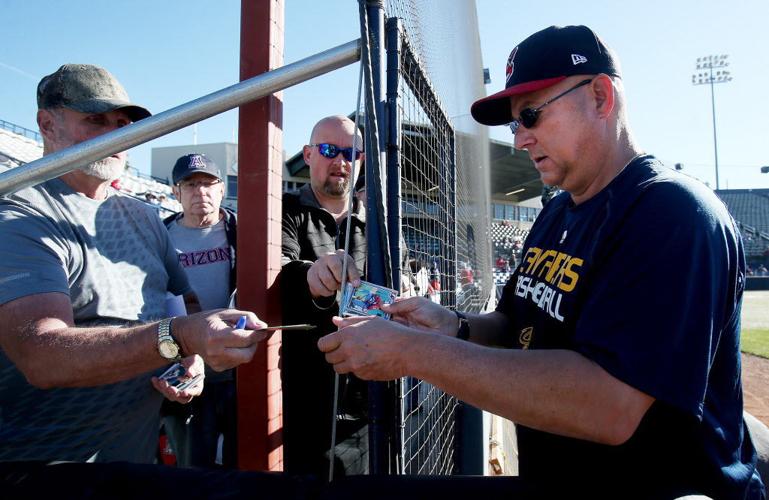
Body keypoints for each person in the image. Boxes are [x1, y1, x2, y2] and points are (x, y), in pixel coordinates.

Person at [318, 26, 765, 498]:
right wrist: (453, 325)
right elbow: (516, 323)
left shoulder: (671, 213)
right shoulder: (557, 210)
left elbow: (609, 406)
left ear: (599, 96)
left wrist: (412, 352)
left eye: (531, 115)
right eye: (516, 124)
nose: (521, 140)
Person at [0, 64, 267, 465]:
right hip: (42, 468)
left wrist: (188, 361)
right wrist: (179, 339)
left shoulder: (143, 217)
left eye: (123, 122)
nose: (115, 134)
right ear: (47, 123)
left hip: (135, 459)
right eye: (95, 120)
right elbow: (41, 355)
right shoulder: (21, 217)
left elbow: (180, 298)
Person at [280, 115, 368, 477]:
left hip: (366, 402)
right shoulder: (284, 211)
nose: (341, 162)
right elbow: (276, 276)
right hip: (301, 399)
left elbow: (404, 281)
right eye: (330, 150)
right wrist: (312, 275)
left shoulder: (380, 225)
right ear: (308, 154)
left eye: (351, 152)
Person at [162, 153, 239, 468]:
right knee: (193, 467)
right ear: (176, 192)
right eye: (191, 184)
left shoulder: (242, 231)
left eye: (209, 184)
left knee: (243, 465)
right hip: (186, 369)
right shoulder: (160, 235)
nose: (201, 192)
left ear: (221, 189)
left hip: (237, 367)